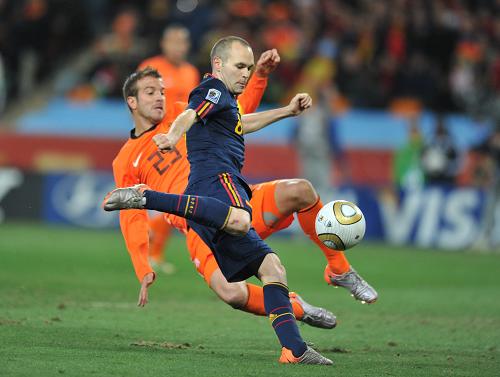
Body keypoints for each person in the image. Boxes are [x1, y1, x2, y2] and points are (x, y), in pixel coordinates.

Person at [146, 36, 329, 364]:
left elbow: (243, 123)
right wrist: (173, 136)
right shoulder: (213, 89)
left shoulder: (227, 103)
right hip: (218, 186)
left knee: (270, 270)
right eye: (240, 66)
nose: (245, 73)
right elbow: (190, 113)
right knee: (242, 220)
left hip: (207, 197)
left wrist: (287, 110)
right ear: (218, 65)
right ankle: (148, 199)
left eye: (248, 67)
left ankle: (294, 350)